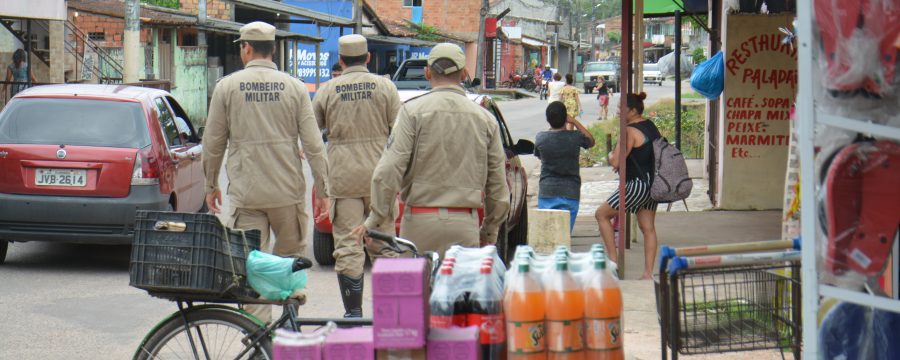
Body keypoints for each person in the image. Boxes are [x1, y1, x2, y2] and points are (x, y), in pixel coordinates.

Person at [202, 22, 330, 322]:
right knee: (290, 269)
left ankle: (259, 340)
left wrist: (211, 185)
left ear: (246, 48)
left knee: (253, 268)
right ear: (273, 49)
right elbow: (314, 145)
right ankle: (288, 336)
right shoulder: (296, 87)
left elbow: (213, 143)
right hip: (288, 193)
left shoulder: (227, 87)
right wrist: (323, 191)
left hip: (248, 195)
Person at [352, 43, 510, 257]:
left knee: (415, 288)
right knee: (461, 289)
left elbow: (388, 171)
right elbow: (498, 188)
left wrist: (375, 219)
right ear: (464, 73)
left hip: (419, 222)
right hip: (465, 225)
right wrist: (489, 232)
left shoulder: (412, 112)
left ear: (427, 72)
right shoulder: (485, 119)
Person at [312, 34, 400, 318]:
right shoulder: (386, 87)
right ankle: (388, 315)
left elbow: (313, 133)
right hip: (380, 179)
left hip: (343, 179)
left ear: (340, 59)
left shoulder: (328, 90)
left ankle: (353, 315)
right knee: (384, 246)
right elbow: (399, 135)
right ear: (368, 58)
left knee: (348, 248)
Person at [593, 92, 661, 280]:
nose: (617, 112)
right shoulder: (650, 126)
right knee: (648, 228)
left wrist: (610, 157)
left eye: (620, 108)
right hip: (652, 185)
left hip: (636, 185)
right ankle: (648, 273)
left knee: (601, 214)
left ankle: (613, 262)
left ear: (631, 110)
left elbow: (615, 161)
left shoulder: (629, 131)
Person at [534, 101, 595, 232]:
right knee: (564, 235)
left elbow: (539, 155)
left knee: (548, 235)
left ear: (547, 119)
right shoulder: (575, 137)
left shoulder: (540, 138)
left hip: (547, 191)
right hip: (571, 192)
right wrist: (574, 122)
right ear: (565, 118)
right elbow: (591, 141)